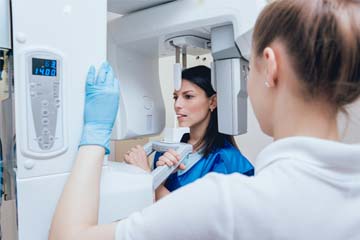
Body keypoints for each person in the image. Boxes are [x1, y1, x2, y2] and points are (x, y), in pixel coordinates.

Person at [49, 0, 360, 239]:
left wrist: (94, 136)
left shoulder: (227, 203)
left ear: (271, 66)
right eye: (176, 97)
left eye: (247, 68)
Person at [123, 66, 254, 200]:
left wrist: (147, 178)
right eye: (175, 97)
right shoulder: (166, 152)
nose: (177, 105)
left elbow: (198, 218)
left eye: (188, 96)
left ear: (213, 102)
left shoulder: (228, 160)